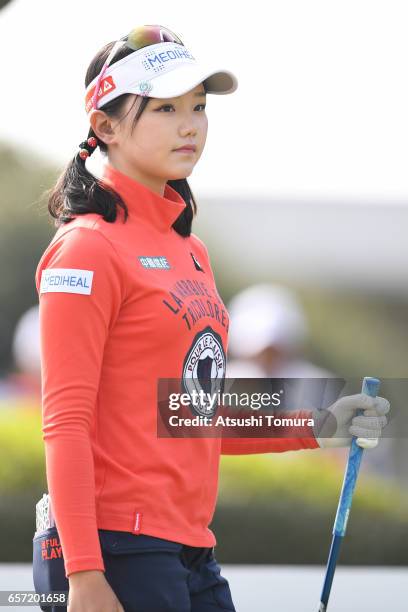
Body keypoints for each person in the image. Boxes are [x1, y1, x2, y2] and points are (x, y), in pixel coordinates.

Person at [32, 24, 391, 612]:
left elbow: (190, 412)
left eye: (198, 106)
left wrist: (321, 421)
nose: (190, 124)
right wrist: (84, 574)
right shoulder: (87, 248)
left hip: (189, 548)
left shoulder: (190, 251)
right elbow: (64, 421)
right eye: (167, 107)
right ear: (104, 126)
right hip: (117, 549)